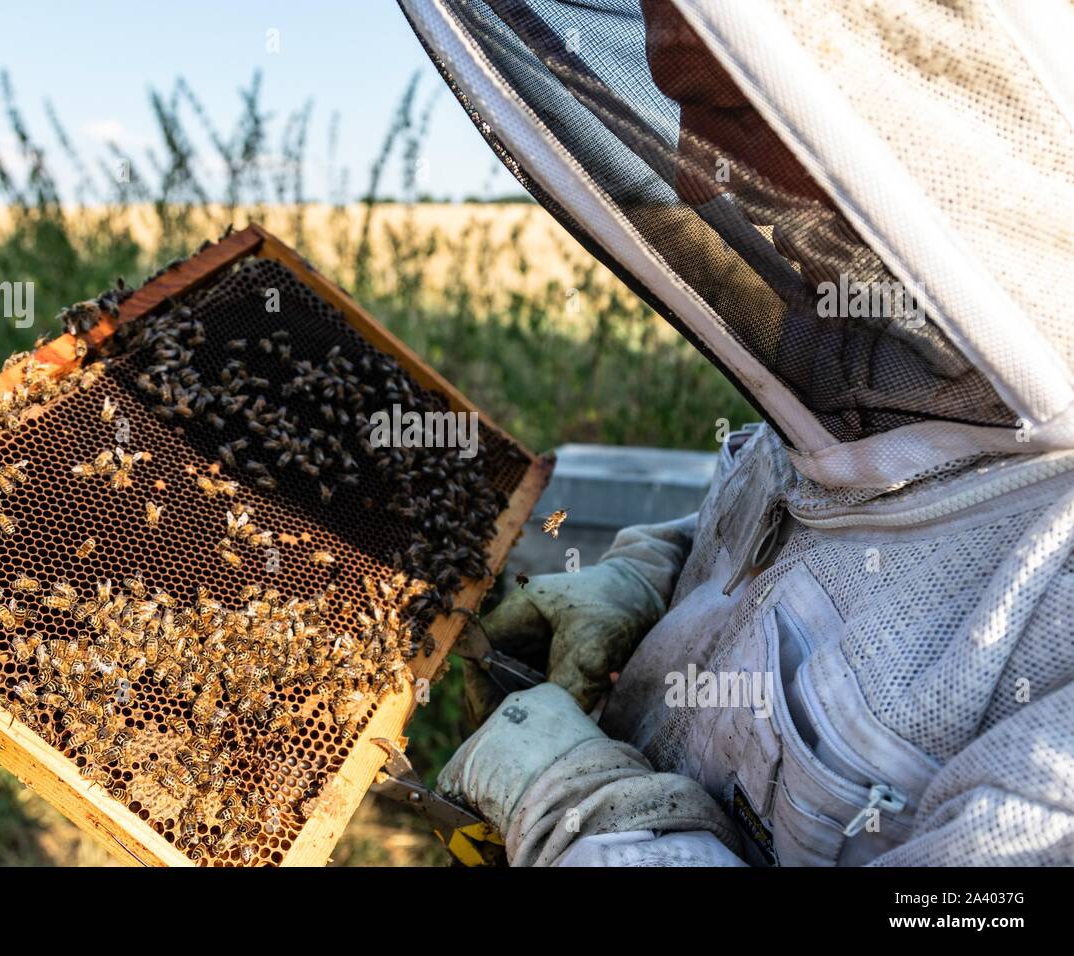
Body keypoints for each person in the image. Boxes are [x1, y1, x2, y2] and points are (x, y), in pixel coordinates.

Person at [399, 0, 1074, 865]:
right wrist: (651, 581)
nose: (692, 177)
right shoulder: (877, 354)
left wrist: (582, 816)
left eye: (734, 109)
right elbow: (819, 521)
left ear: (939, 93)